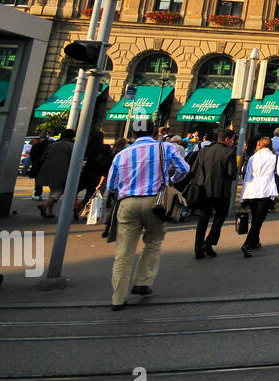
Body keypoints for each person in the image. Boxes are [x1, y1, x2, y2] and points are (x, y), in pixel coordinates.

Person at [105, 127, 191, 310]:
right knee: (153, 242)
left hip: (128, 203)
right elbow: (184, 168)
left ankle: (118, 298)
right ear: (154, 133)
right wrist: (171, 181)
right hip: (156, 202)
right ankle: (142, 282)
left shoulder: (122, 154)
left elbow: (111, 185)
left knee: (123, 253)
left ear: (133, 135)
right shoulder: (166, 148)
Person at [188, 129, 237, 258]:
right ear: (226, 139)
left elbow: (193, 170)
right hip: (221, 191)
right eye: (232, 139)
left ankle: (198, 249)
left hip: (203, 189)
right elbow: (232, 174)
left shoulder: (203, 151)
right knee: (220, 216)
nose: (233, 142)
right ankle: (208, 242)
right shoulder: (229, 152)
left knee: (203, 218)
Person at [240, 136, 279, 257]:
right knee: (258, 220)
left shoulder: (253, 158)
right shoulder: (275, 157)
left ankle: (255, 241)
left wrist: (242, 196)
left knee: (255, 218)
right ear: (271, 145)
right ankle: (247, 244)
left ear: (259, 145)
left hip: (252, 190)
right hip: (266, 190)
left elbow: (247, 176)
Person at [37, 128, 78, 220]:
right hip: (63, 169)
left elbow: (43, 157)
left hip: (48, 168)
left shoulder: (52, 144)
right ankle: (45, 205)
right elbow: (74, 159)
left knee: (53, 189)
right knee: (61, 189)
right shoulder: (71, 145)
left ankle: (50, 212)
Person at [76, 130, 114, 220]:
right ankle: (79, 207)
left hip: (87, 171)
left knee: (76, 189)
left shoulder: (88, 146)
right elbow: (109, 162)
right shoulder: (106, 148)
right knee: (91, 193)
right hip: (98, 173)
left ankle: (74, 206)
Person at [27, 131, 50, 200]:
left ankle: (38, 194)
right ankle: (53, 195)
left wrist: (34, 162)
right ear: (47, 136)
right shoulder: (51, 144)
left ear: (40, 136)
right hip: (49, 164)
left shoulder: (36, 145)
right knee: (51, 180)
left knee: (38, 180)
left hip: (38, 165)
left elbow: (32, 156)